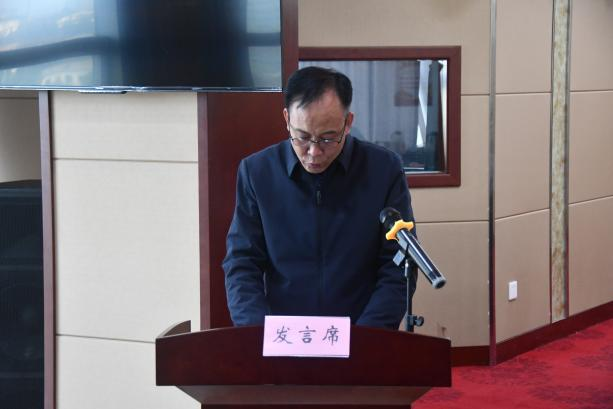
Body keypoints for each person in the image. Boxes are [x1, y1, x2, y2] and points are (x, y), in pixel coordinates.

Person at [222, 66, 416, 330]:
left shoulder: (383, 170)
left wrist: (367, 338)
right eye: (302, 137)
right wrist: (258, 335)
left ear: (348, 123)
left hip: (361, 331)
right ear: (287, 119)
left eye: (327, 139)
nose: (313, 152)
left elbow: (398, 264)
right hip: (285, 335)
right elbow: (242, 263)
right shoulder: (258, 172)